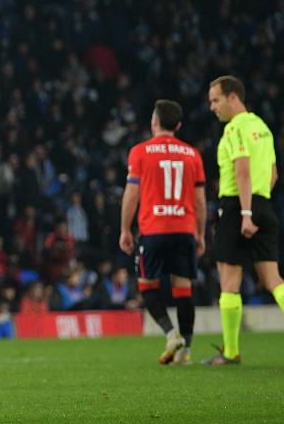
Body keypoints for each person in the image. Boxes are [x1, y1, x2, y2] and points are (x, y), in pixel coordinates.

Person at [117, 99, 206, 365]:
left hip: (153, 231)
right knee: (183, 290)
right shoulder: (193, 154)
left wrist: (124, 229)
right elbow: (200, 201)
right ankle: (186, 351)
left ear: (154, 122)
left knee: (147, 286)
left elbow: (132, 195)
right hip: (183, 229)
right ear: (178, 125)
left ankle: (171, 334)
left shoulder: (140, 152)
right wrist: (200, 234)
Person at [204, 76, 280, 365]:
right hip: (263, 203)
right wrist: (258, 207)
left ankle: (232, 351)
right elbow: (272, 175)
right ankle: (231, 350)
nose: (213, 107)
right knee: (274, 280)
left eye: (216, 100)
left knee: (229, 281)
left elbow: (242, 170)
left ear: (233, 97)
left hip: (238, 208)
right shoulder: (262, 127)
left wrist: (246, 214)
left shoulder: (234, 129)